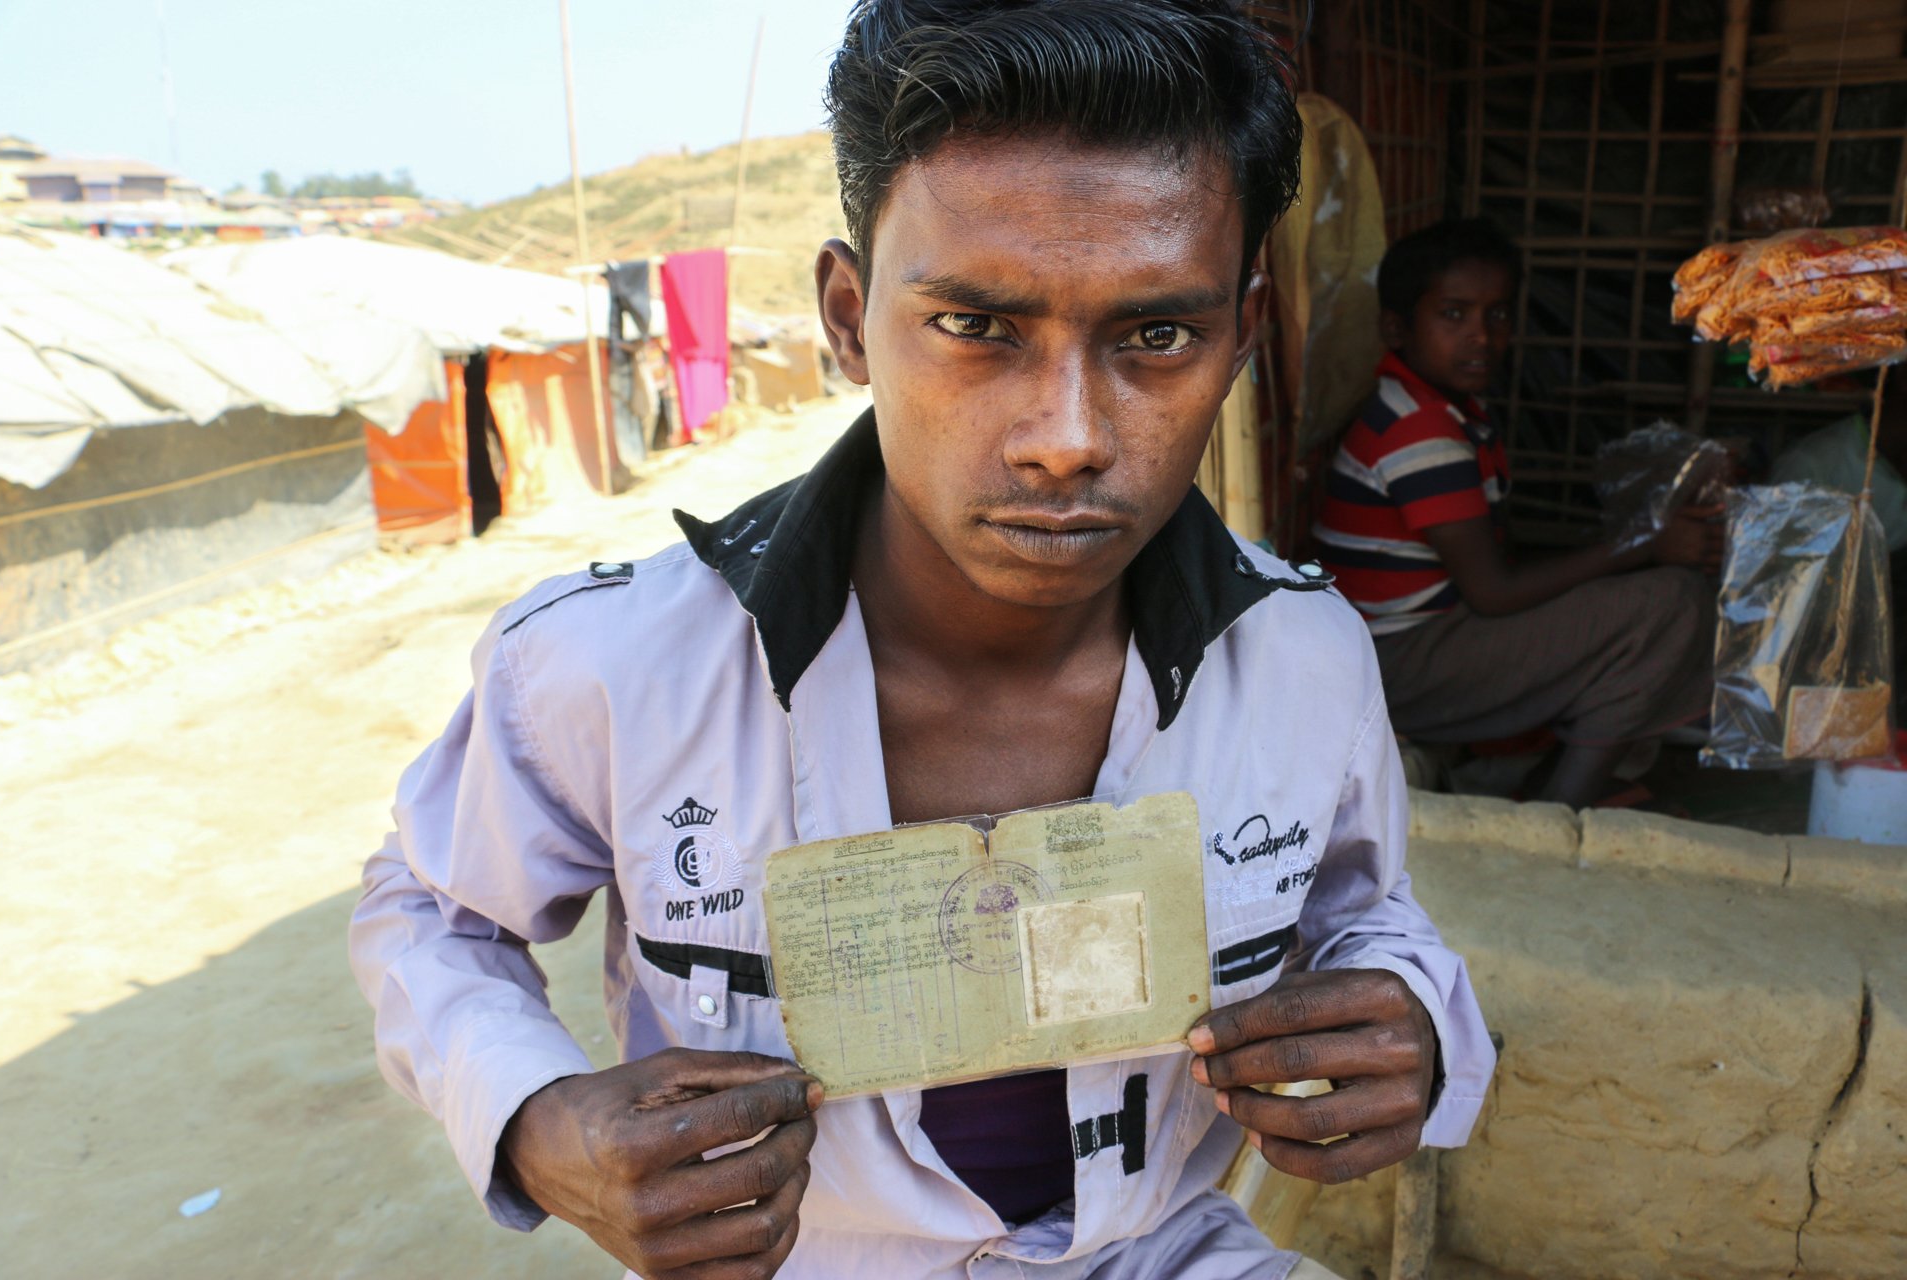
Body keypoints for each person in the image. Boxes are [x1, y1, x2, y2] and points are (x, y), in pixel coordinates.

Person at [348, 4, 1495, 1278]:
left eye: (1156, 335)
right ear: (848, 317)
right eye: (976, 326)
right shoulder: (610, 664)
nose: (1066, 435)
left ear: (1237, 335)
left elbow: (1366, 913)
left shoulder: (1306, 661)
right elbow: (433, 907)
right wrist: (532, 1117)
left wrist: (1413, 1024)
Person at [1313, 218, 1722, 810]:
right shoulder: (1419, 430)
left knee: (1639, 592)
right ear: (1397, 328)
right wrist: (1647, 546)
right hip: (1398, 665)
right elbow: (1495, 593)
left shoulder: (1439, 408)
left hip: (1410, 648)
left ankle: (1559, 779)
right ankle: (1559, 808)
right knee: (1670, 603)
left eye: (1497, 315)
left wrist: (1635, 550)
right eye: (1454, 314)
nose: (1482, 335)